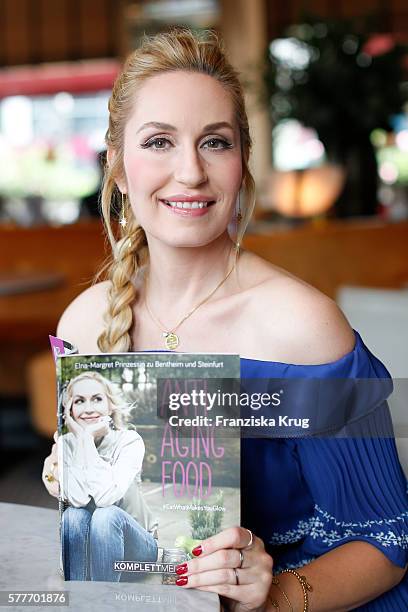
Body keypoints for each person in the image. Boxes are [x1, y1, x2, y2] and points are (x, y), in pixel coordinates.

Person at [43, 27, 408, 610]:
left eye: (214, 142)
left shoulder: (305, 329)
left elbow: (387, 545)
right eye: (159, 141)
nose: (190, 172)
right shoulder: (86, 322)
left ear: (242, 159)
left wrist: (274, 597)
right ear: (116, 165)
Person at [48, 371, 157, 581]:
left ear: (110, 405)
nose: (88, 409)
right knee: (72, 515)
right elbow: (77, 500)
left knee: (106, 515)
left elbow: (106, 498)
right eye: (79, 401)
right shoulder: (67, 444)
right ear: (70, 410)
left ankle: (104, 598)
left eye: (97, 399)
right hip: (95, 549)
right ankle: (79, 595)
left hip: (138, 550)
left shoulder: (129, 441)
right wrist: (82, 441)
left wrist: (86, 437)